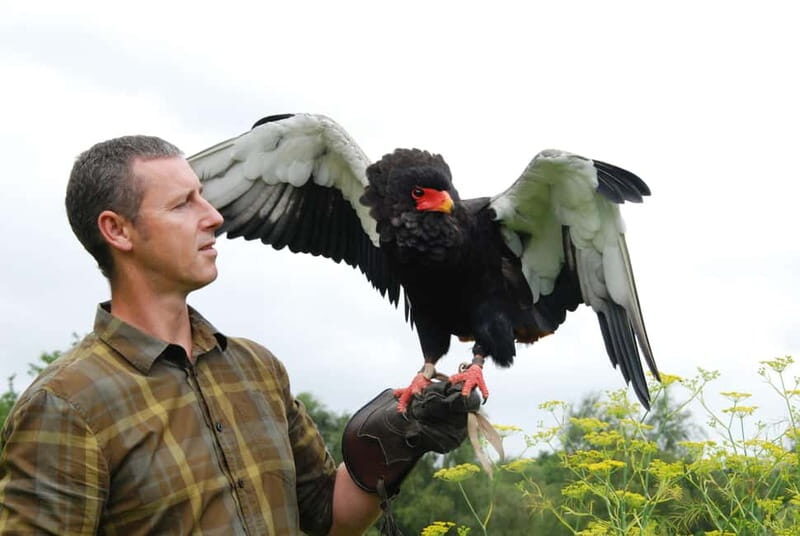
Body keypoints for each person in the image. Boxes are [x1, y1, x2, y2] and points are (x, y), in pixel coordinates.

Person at [0, 135, 473, 535]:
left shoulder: (256, 369)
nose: (214, 217)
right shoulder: (66, 405)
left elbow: (328, 516)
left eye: (203, 195)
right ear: (117, 230)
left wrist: (404, 435)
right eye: (183, 204)